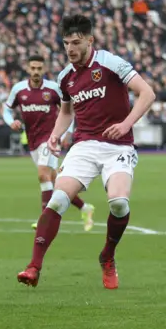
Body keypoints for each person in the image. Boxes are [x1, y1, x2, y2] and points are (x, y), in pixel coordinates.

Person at [17, 15, 155, 289]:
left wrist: (126, 123)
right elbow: (66, 111)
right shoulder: (65, 77)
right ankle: (33, 267)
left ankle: (107, 256)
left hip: (118, 146)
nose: (70, 48)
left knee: (118, 204)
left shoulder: (110, 63)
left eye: (76, 42)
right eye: (66, 42)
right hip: (84, 145)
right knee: (57, 200)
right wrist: (56, 134)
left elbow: (147, 93)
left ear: (90, 40)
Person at [3, 54, 95, 230]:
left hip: (51, 139)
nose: (36, 71)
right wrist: (11, 122)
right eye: (33, 68)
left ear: (44, 69)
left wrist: (66, 133)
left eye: (39, 68)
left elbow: (68, 110)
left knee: (42, 175)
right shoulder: (19, 89)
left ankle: (44, 220)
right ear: (28, 69)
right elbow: (6, 110)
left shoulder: (53, 89)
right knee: (54, 183)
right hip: (33, 141)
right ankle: (85, 207)